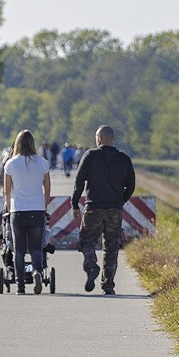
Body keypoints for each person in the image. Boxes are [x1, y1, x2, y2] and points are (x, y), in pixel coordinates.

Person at [70, 125, 136, 295]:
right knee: (111, 247)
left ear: (99, 138)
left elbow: (79, 181)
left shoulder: (91, 156)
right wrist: (121, 200)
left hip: (94, 207)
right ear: (113, 139)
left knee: (87, 241)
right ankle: (108, 285)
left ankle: (92, 265)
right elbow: (131, 185)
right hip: (115, 208)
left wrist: (75, 203)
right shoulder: (124, 159)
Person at [1, 130, 52, 295]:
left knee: (19, 250)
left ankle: (20, 287)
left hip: (18, 211)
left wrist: (9, 210)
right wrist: (44, 208)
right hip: (37, 210)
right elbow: (47, 190)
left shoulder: (10, 164)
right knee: (37, 247)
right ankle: (37, 271)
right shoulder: (43, 163)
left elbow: (7, 191)